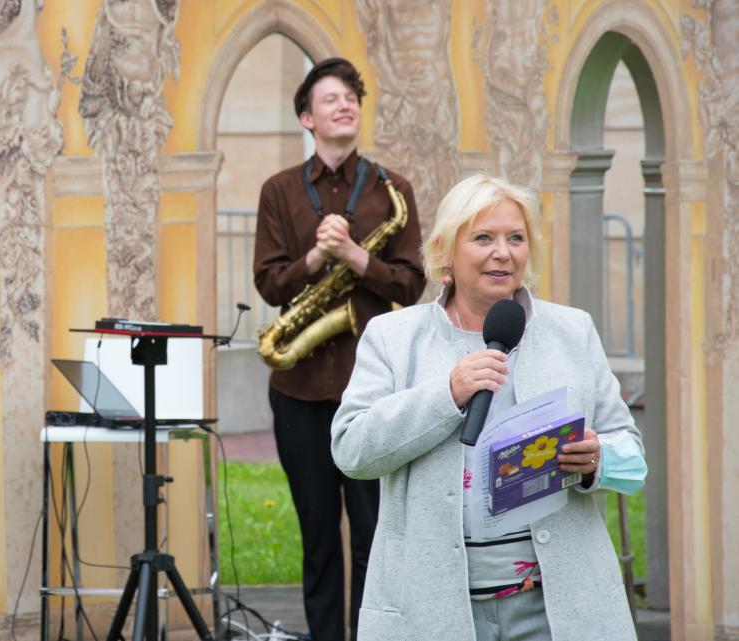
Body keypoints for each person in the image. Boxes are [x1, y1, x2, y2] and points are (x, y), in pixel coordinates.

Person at [331, 174, 647, 641]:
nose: (503, 252)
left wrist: (598, 460)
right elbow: (352, 451)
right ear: (445, 251)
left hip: (555, 609)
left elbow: (632, 457)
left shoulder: (572, 331)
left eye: (515, 238)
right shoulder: (394, 338)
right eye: (483, 238)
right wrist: (448, 393)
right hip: (433, 609)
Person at [253, 57, 426, 641]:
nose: (344, 103)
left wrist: (356, 257)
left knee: (376, 532)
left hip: (374, 389)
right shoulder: (279, 191)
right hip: (299, 387)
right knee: (319, 536)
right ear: (307, 117)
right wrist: (313, 260)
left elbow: (411, 283)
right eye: (330, 98)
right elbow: (269, 283)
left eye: (351, 95)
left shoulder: (391, 191)